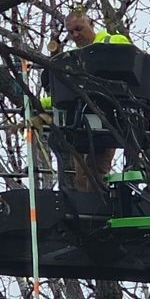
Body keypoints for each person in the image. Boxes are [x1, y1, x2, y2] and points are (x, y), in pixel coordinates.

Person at [46, 11, 133, 190]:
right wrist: (40, 103)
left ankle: (98, 203)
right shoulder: (74, 59)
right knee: (81, 178)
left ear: (92, 24)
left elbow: (129, 76)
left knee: (96, 171)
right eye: (71, 32)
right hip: (82, 121)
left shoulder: (114, 42)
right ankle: (87, 202)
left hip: (108, 116)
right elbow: (67, 92)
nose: (75, 35)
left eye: (79, 29)